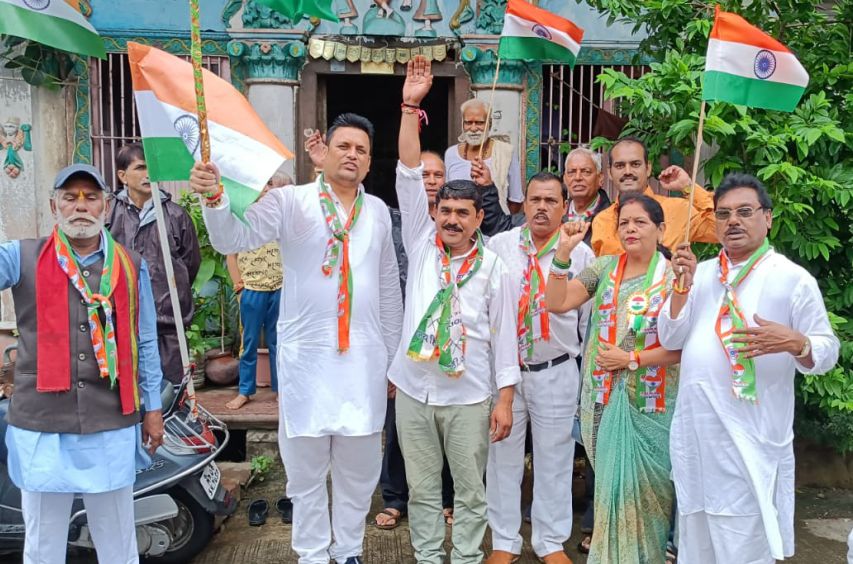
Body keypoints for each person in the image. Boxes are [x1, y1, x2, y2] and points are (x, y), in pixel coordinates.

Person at [189, 113, 403, 564]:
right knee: (305, 471)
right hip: (307, 362)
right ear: (324, 152)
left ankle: (348, 551)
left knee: (359, 470)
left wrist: (393, 358)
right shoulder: (291, 202)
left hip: (363, 360)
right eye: (344, 146)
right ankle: (311, 554)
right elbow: (232, 236)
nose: (353, 155)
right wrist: (213, 196)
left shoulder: (379, 212)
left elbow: (387, 289)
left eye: (361, 150)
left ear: (368, 164)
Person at [658, 173, 840, 564]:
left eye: (744, 212)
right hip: (697, 437)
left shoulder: (791, 279)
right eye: (723, 214)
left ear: (768, 217)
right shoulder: (702, 273)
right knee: (696, 537)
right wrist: (679, 288)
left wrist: (797, 342)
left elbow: (828, 349)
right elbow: (671, 338)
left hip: (749, 439)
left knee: (743, 542)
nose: (733, 222)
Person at [0, 164, 164, 564]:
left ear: (106, 207)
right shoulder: (20, 256)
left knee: (117, 537)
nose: (81, 206)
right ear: (55, 206)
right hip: (41, 419)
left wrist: (153, 408)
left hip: (109, 416)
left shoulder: (131, 264)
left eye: (91, 197)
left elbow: (145, 340)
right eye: (70, 197)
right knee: (42, 541)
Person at [393, 56, 520, 564]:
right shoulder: (421, 242)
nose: (449, 219)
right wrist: (410, 106)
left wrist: (505, 400)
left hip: (469, 397)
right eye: (444, 210)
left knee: (469, 493)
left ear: (476, 220)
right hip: (413, 391)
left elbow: (506, 339)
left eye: (460, 213)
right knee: (423, 491)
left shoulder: (494, 268)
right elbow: (407, 171)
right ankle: (428, 558)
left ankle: (465, 558)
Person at [545, 192, 682, 563]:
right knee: (610, 494)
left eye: (641, 222)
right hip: (603, 402)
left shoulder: (675, 279)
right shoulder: (603, 268)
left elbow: (684, 347)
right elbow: (556, 302)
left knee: (648, 501)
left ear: (661, 229)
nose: (631, 229)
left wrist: (631, 359)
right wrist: (562, 254)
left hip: (652, 409)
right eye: (624, 222)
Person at [484, 172, 595, 564]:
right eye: (535, 200)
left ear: (565, 206)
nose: (542, 207)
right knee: (502, 459)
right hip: (506, 373)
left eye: (551, 200)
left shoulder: (581, 254)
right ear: (524, 204)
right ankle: (503, 540)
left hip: (557, 369)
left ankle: (549, 542)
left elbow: (586, 320)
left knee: (555, 459)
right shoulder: (499, 246)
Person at [108, 142, 201, 384]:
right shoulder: (108, 214)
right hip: (123, 321)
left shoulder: (176, 215)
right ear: (122, 176)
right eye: (140, 168)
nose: (148, 174)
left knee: (169, 392)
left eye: (152, 168)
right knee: (127, 390)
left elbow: (190, 264)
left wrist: (173, 294)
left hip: (168, 324)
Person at [224, 170, 292, 410]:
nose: (266, 189)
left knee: (278, 341)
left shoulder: (283, 218)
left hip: (279, 287)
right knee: (249, 341)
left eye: (271, 185)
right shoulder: (243, 215)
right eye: (263, 185)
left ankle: (281, 390)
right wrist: (239, 286)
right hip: (252, 288)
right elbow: (231, 254)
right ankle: (245, 391)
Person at [590, 136, 716, 256]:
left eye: (635, 164)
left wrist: (688, 186)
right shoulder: (602, 221)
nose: (627, 172)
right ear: (610, 173)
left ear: (648, 168)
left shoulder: (678, 209)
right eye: (620, 166)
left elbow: (719, 231)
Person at [445, 98, 524, 214]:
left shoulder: (506, 153)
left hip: (495, 228)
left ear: (490, 124)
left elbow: (516, 200)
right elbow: (445, 195)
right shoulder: (451, 154)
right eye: (468, 122)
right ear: (462, 124)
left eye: (479, 123)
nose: (473, 128)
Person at [564, 147, 611, 234]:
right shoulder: (557, 213)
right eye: (572, 172)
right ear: (565, 179)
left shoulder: (612, 217)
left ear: (600, 178)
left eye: (586, 171)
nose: (577, 178)